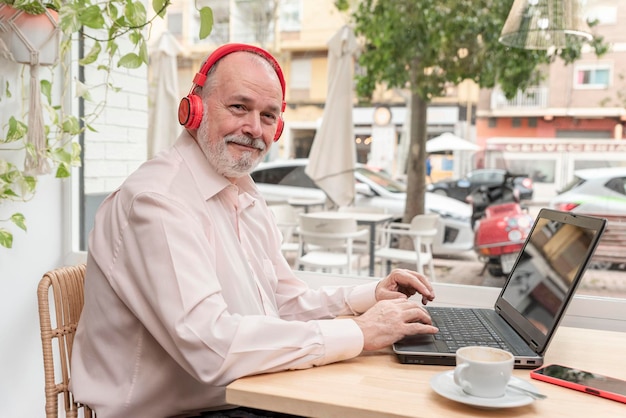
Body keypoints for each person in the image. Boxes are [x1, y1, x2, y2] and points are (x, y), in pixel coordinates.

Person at [70, 43, 438, 418]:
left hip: (238, 398)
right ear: (193, 107)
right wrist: (360, 333)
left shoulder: (240, 190)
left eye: (268, 116)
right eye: (239, 107)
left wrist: (370, 297)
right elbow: (211, 348)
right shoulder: (157, 200)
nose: (254, 129)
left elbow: (281, 302)